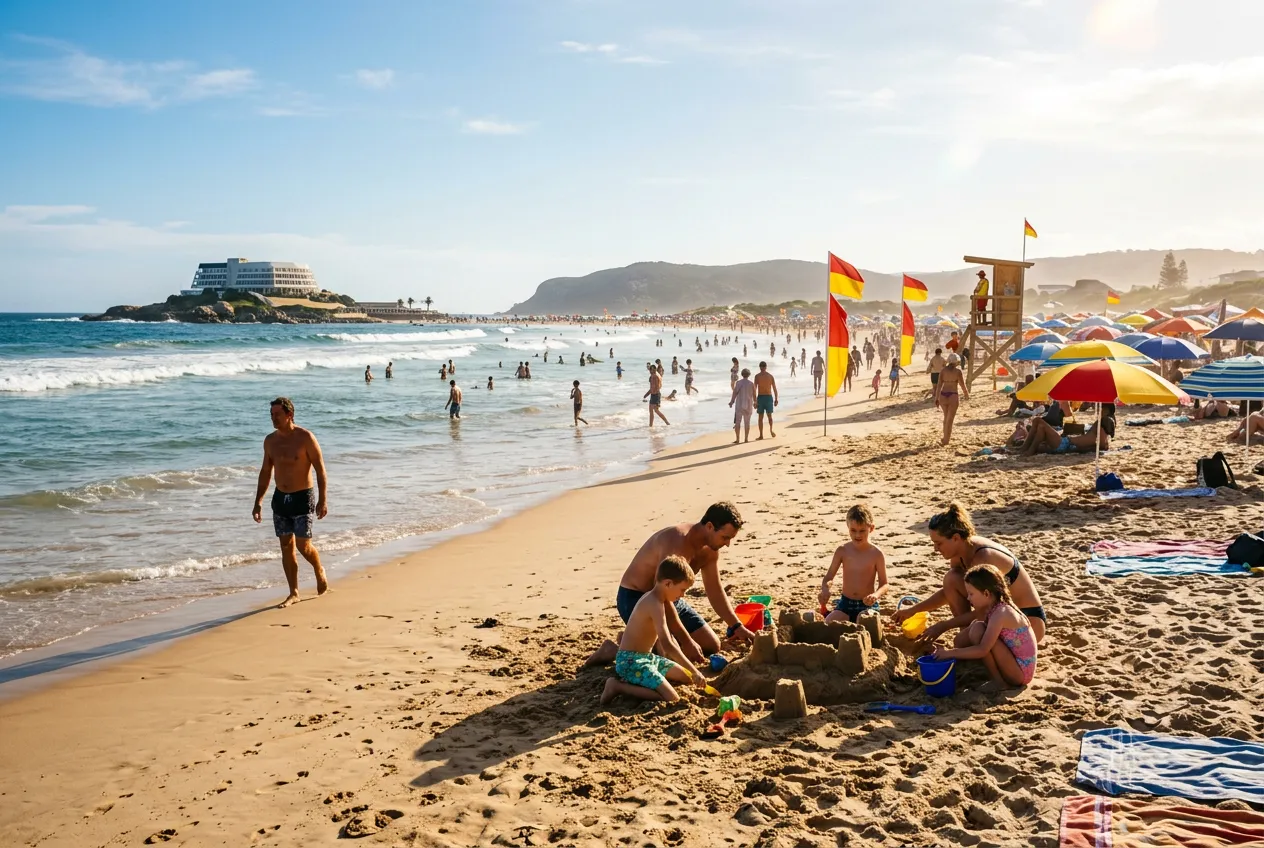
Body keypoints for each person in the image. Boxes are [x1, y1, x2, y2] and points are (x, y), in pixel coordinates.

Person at [584, 502, 754, 667]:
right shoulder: (677, 541)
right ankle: (615, 650)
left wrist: (737, 626)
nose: (727, 544)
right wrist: (686, 641)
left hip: (671, 599)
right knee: (669, 656)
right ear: (709, 526)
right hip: (638, 598)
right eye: (725, 537)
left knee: (711, 645)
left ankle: (629, 641)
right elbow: (660, 595)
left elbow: (715, 591)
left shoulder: (710, 551)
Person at [892, 502, 1046, 645]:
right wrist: (912, 611)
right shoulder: (960, 553)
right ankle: (967, 636)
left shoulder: (983, 557)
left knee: (963, 641)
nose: (935, 549)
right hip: (1002, 615)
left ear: (956, 538)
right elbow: (949, 592)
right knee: (951, 579)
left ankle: (971, 644)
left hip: (1027, 622)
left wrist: (943, 626)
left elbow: (987, 610)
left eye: (938, 543)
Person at [252, 397, 329, 608]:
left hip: (302, 497)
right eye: (271, 415)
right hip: (280, 499)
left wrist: (323, 500)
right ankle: (293, 592)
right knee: (286, 546)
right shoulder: (270, 441)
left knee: (304, 546)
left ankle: (318, 569)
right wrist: (258, 501)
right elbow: (266, 472)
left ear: (289, 415)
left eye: (277, 414)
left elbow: (320, 471)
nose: (273, 418)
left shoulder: (306, 438)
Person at [600, 556, 707, 704]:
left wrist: (692, 673)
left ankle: (643, 681)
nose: (682, 595)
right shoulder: (653, 603)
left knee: (687, 678)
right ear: (668, 583)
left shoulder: (660, 599)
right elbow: (668, 644)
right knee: (672, 698)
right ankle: (617, 686)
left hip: (648, 658)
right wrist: (695, 670)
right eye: (682, 590)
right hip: (631, 662)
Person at [930, 564, 1037, 692]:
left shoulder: (1001, 613)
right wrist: (951, 652)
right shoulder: (994, 607)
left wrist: (949, 653)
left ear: (986, 593)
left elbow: (982, 650)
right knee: (975, 626)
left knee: (978, 631)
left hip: (1020, 673)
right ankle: (964, 666)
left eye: (971, 594)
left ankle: (999, 682)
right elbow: (960, 641)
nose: (968, 598)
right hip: (1012, 663)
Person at [819, 504, 889, 624]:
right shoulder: (842, 551)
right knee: (828, 623)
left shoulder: (876, 553)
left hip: (867, 604)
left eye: (862, 531)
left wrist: (875, 595)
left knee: (864, 622)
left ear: (871, 528)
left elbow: (884, 584)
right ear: (848, 528)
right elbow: (829, 577)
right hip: (846, 603)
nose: (857, 535)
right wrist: (825, 589)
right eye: (853, 530)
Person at [1019, 404, 1114, 455]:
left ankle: (1025, 449)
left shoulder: (1103, 422)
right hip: (1066, 443)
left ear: (1106, 410)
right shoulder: (1101, 423)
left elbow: (1102, 446)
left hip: (1065, 444)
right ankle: (1027, 449)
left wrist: (1077, 449)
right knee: (1040, 427)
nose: (1100, 411)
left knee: (1037, 420)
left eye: (1103, 409)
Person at [935, 353, 968, 445]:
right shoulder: (958, 372)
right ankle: (946, 440)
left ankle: (944, 437)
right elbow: (962, 384)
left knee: (946, 417)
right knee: (950, 419)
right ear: (956, 362)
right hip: (953, 395)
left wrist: (937, 398)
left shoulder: (943, 371)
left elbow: (939, 385)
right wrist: (966, 394)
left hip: (943, 395)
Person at [729, 366, 755, 444]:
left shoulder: (739, 383)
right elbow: (754, 394)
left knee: (738, 422)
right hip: (748, 405)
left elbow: (735, 393)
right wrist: (756, 402)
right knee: (747, 423)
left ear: (742, 374)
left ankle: (737, 439)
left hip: (739, 405)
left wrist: (732, 401)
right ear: (749, 375)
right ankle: (746, 439)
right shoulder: (751, 383)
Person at [753, 361, 778, 439]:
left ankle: (762, 434)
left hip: (762, 397)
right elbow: (774, 388)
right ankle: (769, 431)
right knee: (768, 416)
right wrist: (776, 398)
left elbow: (754, 389)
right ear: (765, 367)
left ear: (760, 367)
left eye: (763, 366)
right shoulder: (770, 376)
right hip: (767, 397)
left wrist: (755, 401)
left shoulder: (758, 376)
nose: (763, 368)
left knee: (762, 417)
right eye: (763, 366)